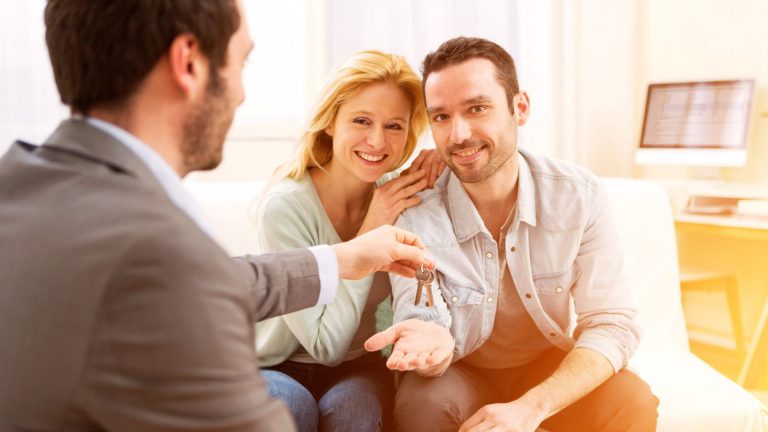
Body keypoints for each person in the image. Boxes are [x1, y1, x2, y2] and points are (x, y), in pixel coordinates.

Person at [0, 1, 433, 431]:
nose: (241, 94)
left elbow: (222, 280)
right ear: (188, 63)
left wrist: (343, 258)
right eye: (241, 62)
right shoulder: (154, 244)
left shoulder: (21, 186)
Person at [365, 36, 659, 432]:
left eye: (477, 108)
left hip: (544, 365)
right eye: (442, 117)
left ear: (519, 108)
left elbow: (612, 324)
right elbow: (422, 315)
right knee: (423, 405)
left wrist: (531, 408)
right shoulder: (415, 206)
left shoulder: (579, 196)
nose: (458, 134)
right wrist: (430, 346)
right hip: (459, 369)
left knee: (632, 401)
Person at [253, 50, 441, 432]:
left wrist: (447, 159)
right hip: (276, 365)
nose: (377, 140)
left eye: (394, 125)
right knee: (290, 409)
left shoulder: (399, 197)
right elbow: (326, 346)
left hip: (360, 365)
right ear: (330, 122)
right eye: (361, 120)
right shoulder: (286, 207)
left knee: (352, 415)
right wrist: (370, 233)